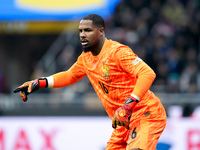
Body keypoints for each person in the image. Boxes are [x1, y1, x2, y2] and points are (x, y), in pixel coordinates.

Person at [14, 14, 167, 150]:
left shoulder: (117, 52)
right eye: (80, 31)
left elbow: (147, 73)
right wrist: (39, 82)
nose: (82, 35)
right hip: (122, 122)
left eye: (88, 30)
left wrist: (128, 105)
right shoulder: (85, 58)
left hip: (144, 114)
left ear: (100, 32)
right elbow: (70, 75)